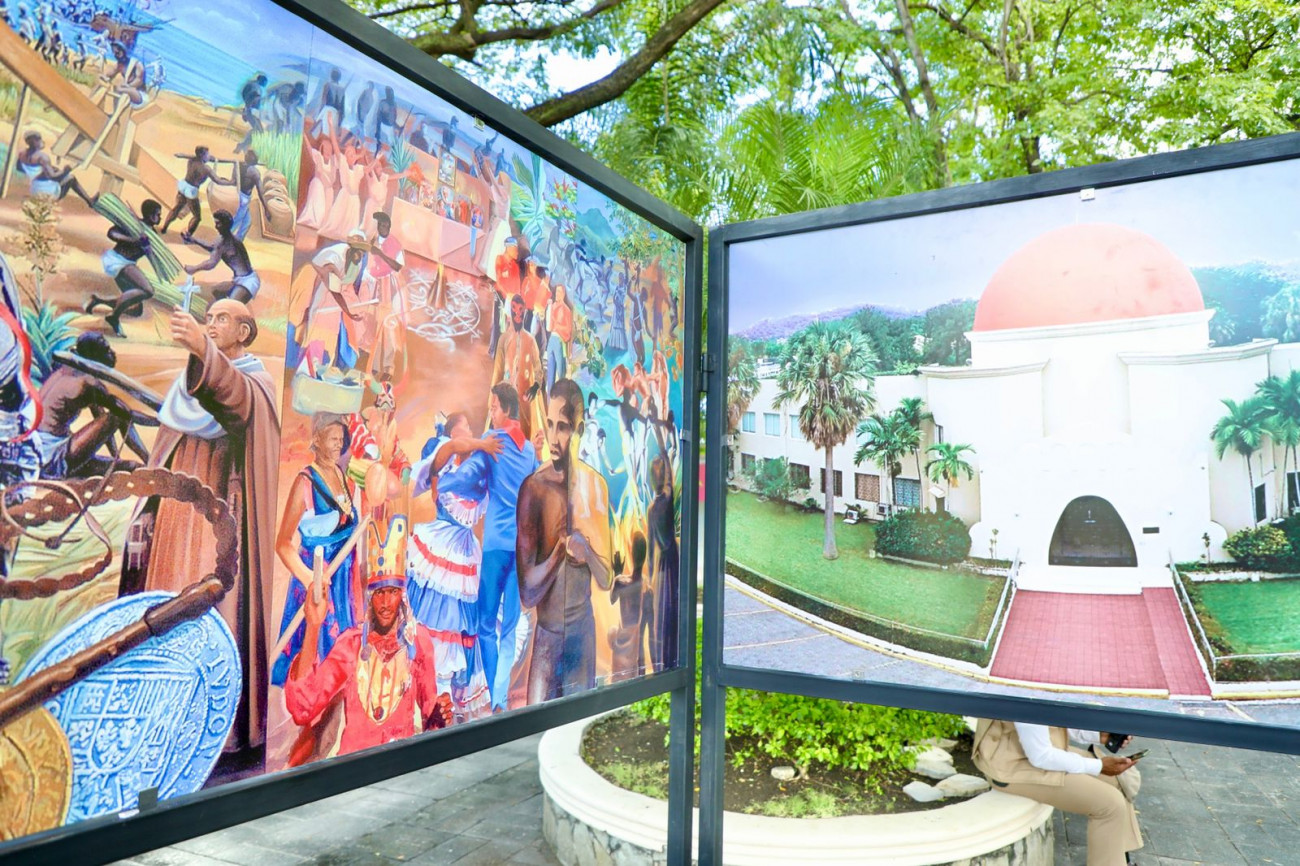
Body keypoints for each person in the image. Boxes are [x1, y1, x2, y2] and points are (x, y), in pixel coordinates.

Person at [119, 300, 281, 760]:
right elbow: (168, 445)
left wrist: (203, 351)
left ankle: (209, 724)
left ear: (244, 332)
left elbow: (234, 400)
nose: (211, 325)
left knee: (212, 612)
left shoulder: (256, 383)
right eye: (208, 319)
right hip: (177, 517)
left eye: (221, 319)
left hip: (220, 519)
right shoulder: (190, 380)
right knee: (166, 601)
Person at [284, 518, 453, 764]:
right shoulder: (351, 646)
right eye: (379, 593)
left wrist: (439, 715)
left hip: (400, 769)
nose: (385, 603)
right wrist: (313, 625)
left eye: (392, 592)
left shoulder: (418, 642)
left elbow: (430, 720)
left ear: (402, 595)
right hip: (353, 772)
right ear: (370, 597)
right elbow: (303, 708)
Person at [432, 383, 537, 712]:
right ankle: (501, 697)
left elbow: (468, 476)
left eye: (493, 408)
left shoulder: (493, 442)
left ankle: (494, 699)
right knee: (508, 629)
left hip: (495, 548)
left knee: (485, 625)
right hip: (521, 549)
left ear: (505, 410)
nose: (490, 414)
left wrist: (442, 482)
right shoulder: (530, 451)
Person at [516, 378, 613, 703]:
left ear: (579, 429)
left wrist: (588, 555)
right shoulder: (534, 489)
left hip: (582, 635)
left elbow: (607, 578)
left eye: (563, 427)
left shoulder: (596, 486)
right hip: (547, 637)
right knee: (536, 726)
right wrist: (559, 551)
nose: (554, 438)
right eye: (550, 425)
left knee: (578, 725)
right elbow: (527, 593)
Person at [406, 413, 504, 721]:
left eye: (471, 428)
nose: (470, 432)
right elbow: (453, 446)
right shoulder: (443, 457)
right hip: (441, 544)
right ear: (451, 432)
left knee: (464, 625)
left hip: (466, 550)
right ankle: (433, 694)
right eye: (464, 427)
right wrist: (482, 443)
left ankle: (450, 698)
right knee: (438, 618)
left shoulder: (474, 469)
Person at [271, 413, 362, 687]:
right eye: (332, 438)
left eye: (341, 439)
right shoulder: (305, 482)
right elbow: (283, 544)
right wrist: (310, 578)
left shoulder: (341, 475)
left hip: (342, 580)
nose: (338, 444)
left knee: (342, 660)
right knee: (314, 663)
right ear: (317, 440)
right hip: (318, 578)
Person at [972, 719, 1142, 866]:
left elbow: (1057, 719)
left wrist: (1099, 736)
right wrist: (1099, 766)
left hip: (1032, 750)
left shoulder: (1043, 691)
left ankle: (1118, 859)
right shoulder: (1027, 694)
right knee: (1110, 804)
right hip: (1011, 767)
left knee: (1119, 779)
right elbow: (1041, 756)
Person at [34, 332, 148, 478]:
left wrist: (115, 456)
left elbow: (100, 423)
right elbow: (124, 413)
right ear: (94, 354)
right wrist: (159, 421)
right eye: (106, 350)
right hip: (52, 456)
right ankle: (150, 461)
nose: (111, 353)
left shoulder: (64, 370)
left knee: (129, 466)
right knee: (116, 416)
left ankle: (148, 463)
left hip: (34, 451)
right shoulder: (88, 383)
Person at [85, 197, 162, 335]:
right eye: (157, 214)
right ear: (150, 215)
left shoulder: (153, 235)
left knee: (136, 310)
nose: (160, 218)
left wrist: (148, 248)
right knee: (148, 290)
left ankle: (97, 301)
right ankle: (113, 317)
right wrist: (133, 240)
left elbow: (151, 254)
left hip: (128, 264)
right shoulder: (133, 224)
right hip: (118, 261)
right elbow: (112, 233)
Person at [491, 294, 544, 441]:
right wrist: (493, 402)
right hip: (506, 400)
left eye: (521, 310)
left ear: (525, 311)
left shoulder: (530, 340)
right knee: (506, 436)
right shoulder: (503, 339)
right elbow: (498, 371)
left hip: (525, 399)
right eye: (514, 309)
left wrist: (535, 387)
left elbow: (538, 369)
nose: (518, 314)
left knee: (525, 436)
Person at [183, 210, 261, 303]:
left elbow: (211, 263)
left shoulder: (226, 242)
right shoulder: (224, 238)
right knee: (216, 291)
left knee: (230, 304)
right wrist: (194, 240)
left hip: (248, 282)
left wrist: (194, 268)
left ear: (225, 225)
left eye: (218, 223)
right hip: (239, 279)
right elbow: (213, 247)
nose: (215, 226)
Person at [159, 146, 235, 241]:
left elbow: (199, 158)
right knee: (197, 217)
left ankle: (164, 227)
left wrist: (209, 158)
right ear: (202, 155)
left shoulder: (191, 160)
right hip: (191, 190)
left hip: (183, 186)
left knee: (176, 209)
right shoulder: (206, 169)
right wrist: (231, 182)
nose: (209, 156)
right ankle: (187, 236)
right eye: (207, 154)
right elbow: (218, 181)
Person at [364, 211, 406, 380]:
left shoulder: (395, 244)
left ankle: (389, 368)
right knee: (375, 328)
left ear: (389, 227)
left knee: (389, 329)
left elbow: (398, 266)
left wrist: (380, 254)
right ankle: (374, 366)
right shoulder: (372, 240)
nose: (384, 228)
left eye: (386, 226)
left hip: (390, 290)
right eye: (381, 225)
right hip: (374, 289)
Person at [647, 455, 678, 671]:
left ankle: (666, 662)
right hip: (672, 560)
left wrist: (650, 578)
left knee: (663, 611)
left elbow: (650, 549)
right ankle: (671, 660)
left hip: (661, 565)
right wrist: (661, 443)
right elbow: (670, 481)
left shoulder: (652, 509)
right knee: (672, 608)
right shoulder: (667, 501)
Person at [15, 131, 96, 206]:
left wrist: (39, 172)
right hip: (47, 194)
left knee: (56, 171)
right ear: (35, 141)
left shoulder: (22, 154)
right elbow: (53, 177)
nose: (42, 141)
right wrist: (66, 171)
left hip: (34, 190)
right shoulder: (42, 157)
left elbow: (19, 168)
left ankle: (89, 201)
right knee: (71, 178)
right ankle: (90, 201)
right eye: (39, 139)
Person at [490, 238, 521, 358]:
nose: (517, 252)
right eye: (515, 249)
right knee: (498, 323)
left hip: (512, 300)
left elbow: (517, 285)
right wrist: (507, 294)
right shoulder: (500, 260)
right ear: (508, 248)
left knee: (510, 326)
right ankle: (494, 351)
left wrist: (515, 298)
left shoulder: (515, 266)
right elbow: (499, 280)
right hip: (501, 296)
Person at [231, 150, 269, 241]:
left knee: (247, 222)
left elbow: (233, 181)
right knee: (235, 222)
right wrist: (266, 208)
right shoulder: (255, 172)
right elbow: (260, 192)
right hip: (244, 199)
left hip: (237, 195)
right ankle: (222, 241)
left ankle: (238, 241)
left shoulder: (238, 165)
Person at [545, 283, 573, 393]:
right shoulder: (552, 306)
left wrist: (557, 327)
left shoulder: (566, 310)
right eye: (556, 291)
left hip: (560, 342)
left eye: (560, 292)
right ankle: (549, 400)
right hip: (552, 341)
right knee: (550, 375)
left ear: (564, 294)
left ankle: (562, 397)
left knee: (561, 374)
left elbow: (568, 331)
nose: (557, 294)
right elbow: (549, 327)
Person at [236, 73, 267, 154]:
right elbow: (250, 99)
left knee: (258, 130)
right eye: (265, 82)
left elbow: (246, 97)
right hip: (251, 112)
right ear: (261, 80)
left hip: (251, 111)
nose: (265, 84)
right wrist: (246, 111)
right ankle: (242, 146)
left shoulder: (252, 85)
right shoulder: (255, 88)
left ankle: (242, 145)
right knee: (259, 131)